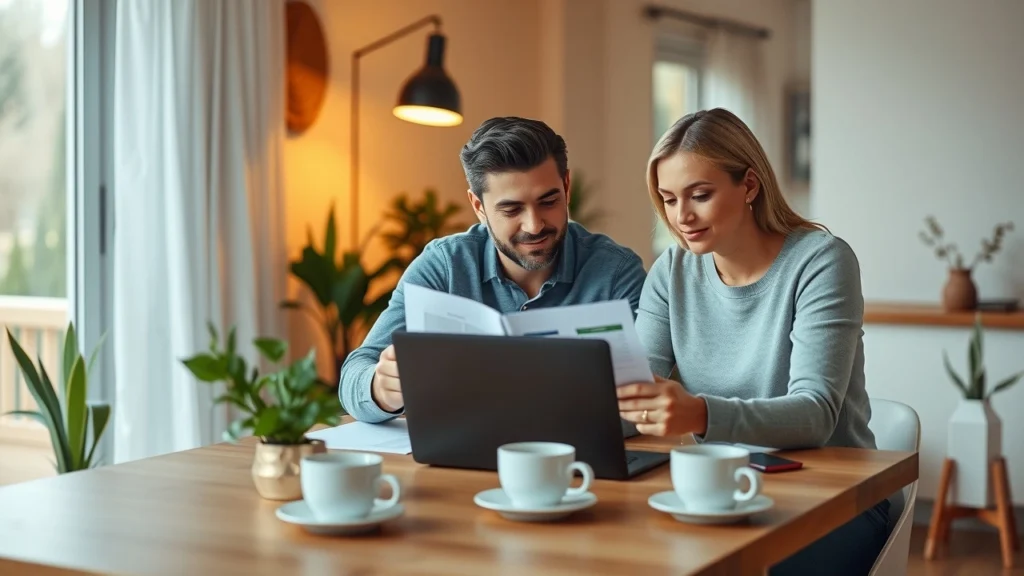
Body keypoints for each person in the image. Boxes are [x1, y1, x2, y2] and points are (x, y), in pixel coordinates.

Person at [616, 108, 889, 576]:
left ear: (749, 185)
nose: (681, 217)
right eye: (668, 199)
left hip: (836, 499)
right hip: (721, 490)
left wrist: (700, 414)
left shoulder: (822, 262)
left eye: (700, 195)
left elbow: (816, 414)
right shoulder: (671, 271)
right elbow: (635, 392)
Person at [340, 116, 647, 423]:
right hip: (462, 449)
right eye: (511, 209)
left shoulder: (617, 273)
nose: (534, 225)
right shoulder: (444, 266)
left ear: (566, 187)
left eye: (548, 201)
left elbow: (648, 396)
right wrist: (382, 388)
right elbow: (355, 374)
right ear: (478, 207)